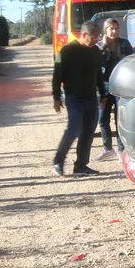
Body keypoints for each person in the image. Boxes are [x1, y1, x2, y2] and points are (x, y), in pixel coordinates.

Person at [52, 20, 108, 176]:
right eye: (94, 36)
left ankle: (81, 166)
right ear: (83, 35)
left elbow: (98, 74)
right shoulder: (67, 50)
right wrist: (56, 97)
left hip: (91, 98)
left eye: (98, 36)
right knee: (74, 129)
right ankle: (58, 161)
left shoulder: (95, 51)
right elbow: (57, 75)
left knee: (88, 132)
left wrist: (103, 94)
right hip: (73, 98)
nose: (97, 39)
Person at [94, 17, 133, 161]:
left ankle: (122, 151)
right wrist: (104, 46)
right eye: (112, 29)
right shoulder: (98, 46)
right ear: (106, 30)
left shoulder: (124, 43)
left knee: (120, 119)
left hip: (120, 86)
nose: (114, 31)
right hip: (104, 87)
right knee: (102, 118)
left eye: (116, 29)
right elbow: (97, 65)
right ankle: (107, 149)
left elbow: (130, 61)